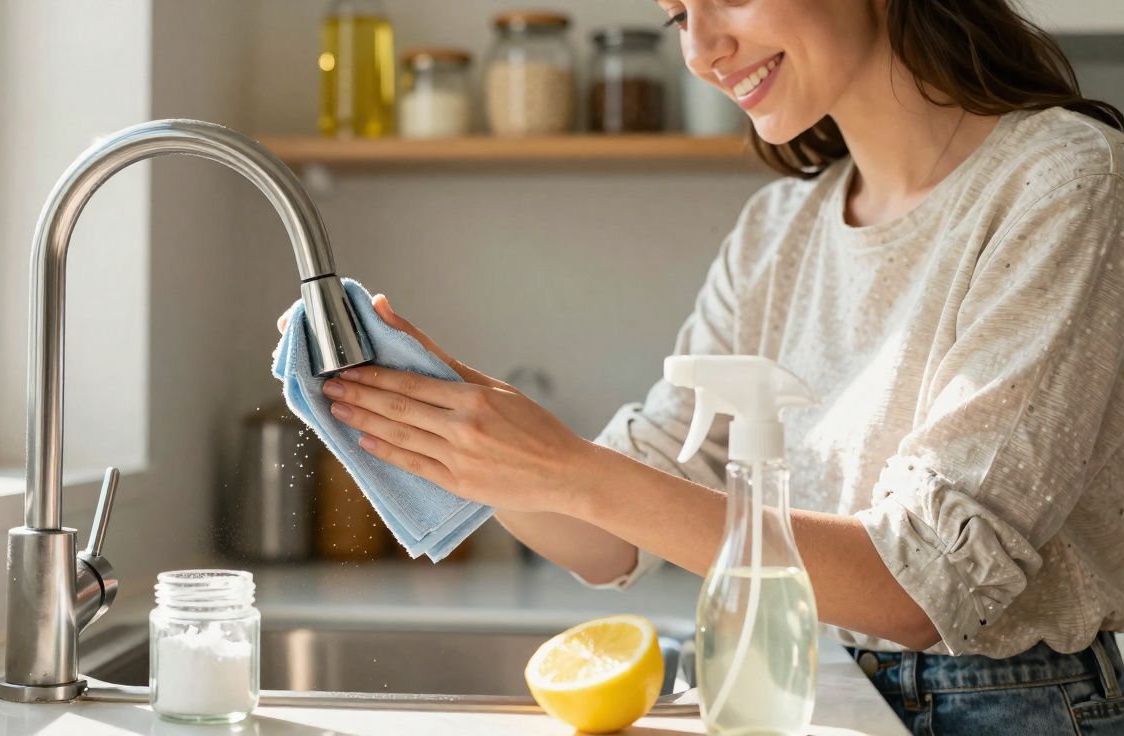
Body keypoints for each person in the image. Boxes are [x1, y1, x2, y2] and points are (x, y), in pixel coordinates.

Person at [288, 1, 1124, 732]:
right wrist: (463, 427)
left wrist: (570, 470)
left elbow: (921, 588)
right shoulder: (778, 228)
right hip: (805, 688)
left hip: (1006, 705)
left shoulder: (1062, 180)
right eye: (679, 14)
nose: (699, 49)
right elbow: (609, 539)